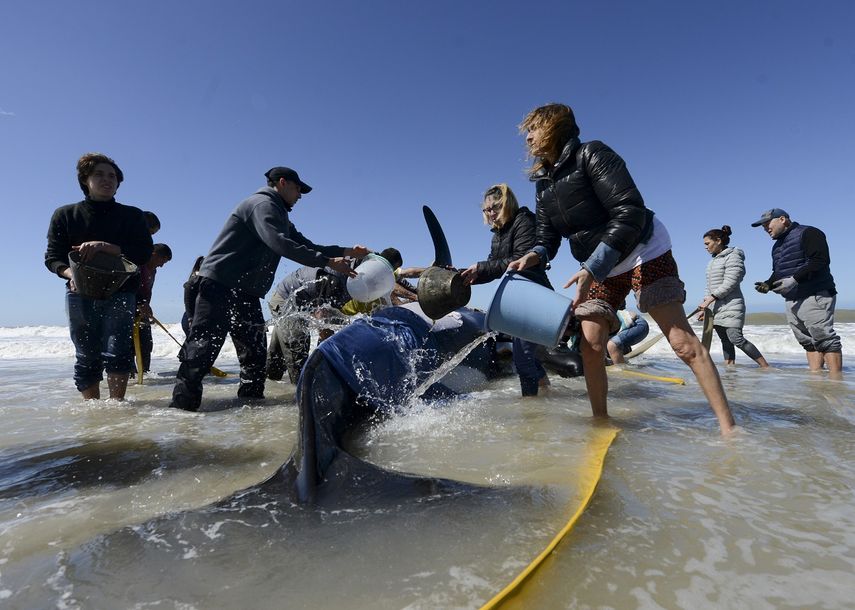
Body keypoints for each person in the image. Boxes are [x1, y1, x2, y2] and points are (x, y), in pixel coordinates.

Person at [507, 103, 736, 434]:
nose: (527, 136)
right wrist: (536, 254)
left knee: (682, 343)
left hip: (644, 249)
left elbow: (630, 212)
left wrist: (592, 267)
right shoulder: (543, 184)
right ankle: (601, 423)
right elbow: (548, 237)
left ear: (556, 127)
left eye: (534, 127)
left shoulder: (593, 154)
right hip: (600, 267)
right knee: (591, 344)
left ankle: (729, 428)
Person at [170, 166, 369, 411]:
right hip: (219, 285)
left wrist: (348, 252)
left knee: (254, 355)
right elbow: (280, 244)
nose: (300, 196)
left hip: (247, 293)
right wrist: (328, 263)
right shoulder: (261, 205)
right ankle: (182, 411)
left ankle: (250, 408)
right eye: (298, 189)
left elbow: (307, 245)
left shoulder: (281, 216)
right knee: (202, 349)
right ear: (282, 183)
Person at [44, 153, 153, 400]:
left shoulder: (132, 215)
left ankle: (116, 409)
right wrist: (71, 273)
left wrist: (107, 246)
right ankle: (93, 413)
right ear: (85, 180)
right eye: (99, 175)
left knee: (118, 351)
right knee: (86, 354)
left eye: (112, 176)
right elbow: (52, 258)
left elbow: (143, 252)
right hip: (79, 292)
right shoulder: (65, 215)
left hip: (122, 290)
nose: (107, 180)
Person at [460, 183, 551, 396]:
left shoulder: (523, 220)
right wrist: (469, 275)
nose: (491, 213)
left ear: (507, 204)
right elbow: (494, 267)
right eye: (487, 209)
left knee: (522, 359)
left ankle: (531, 412)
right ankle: (547, 394)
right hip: (517, 299)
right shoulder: (498, 235)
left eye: (495, 207)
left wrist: (481, 268)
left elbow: (519, 259)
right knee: (526, 356)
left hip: (536, 295)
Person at [752, 208, 841, 374]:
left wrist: (794, 280)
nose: (765, 228)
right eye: (763, 226)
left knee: (824, 338)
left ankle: (836, 382)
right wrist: (768, 284)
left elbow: (820, 260)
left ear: (783, 219)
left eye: (767, 224)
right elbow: (779, 272)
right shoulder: (777, 247)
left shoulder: (809, 232)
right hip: (792, 298)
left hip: (815, 293)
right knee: (807, 341)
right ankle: (816, 379)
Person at [697, 226, 769, 368]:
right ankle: (730, 369)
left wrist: (711, 299)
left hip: (731, 305)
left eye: (707, 244)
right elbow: (709, 286)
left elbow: (732, 281)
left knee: (736, 338)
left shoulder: (733, 256)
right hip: (716, 307)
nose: (705, 247)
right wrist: (704, 306)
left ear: (718, 241)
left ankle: (766, 367)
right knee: (725, 341)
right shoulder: (712, 262)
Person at [134, 243, 173, 373]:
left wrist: (147, 307)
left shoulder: (153, 271)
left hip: (143, 310)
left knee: (146, 344)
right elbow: (130, 287)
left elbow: (148, 291)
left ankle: (145, 374)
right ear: (154, 255)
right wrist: (140, 304)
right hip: (129, 308)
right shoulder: (137, 265)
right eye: (162, 261)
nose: (161, 266)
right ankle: (130, 376)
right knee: (129, 346)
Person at [181, 256, 205, 336]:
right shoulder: (194, 280)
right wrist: (190, 319)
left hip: (198, 318)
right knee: (194, 345)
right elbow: (187, 301)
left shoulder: (206, 280)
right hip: (191, 318)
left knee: (193, 345)